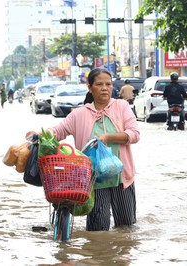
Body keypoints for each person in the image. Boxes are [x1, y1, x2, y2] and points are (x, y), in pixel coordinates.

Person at [27, 68, 140, 231]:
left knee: (126, 228)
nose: (104, 88)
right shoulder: (79, 114)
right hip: (94, 180)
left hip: (122, 178)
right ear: (90, 88)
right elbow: (59, 131)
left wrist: (108, 137)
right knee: (98, 231)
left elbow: (134, 134)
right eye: (99, 84)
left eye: (108, 84)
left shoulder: (121, 106)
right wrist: (41, 134)